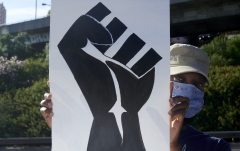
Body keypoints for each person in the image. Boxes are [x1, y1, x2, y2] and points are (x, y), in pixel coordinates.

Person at [40, 44, 231, 151]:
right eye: (179, 79)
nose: (188, 89)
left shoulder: (215, 148)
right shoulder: (117, 134)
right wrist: (68, 134)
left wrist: (171, 146)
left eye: (198, 84)